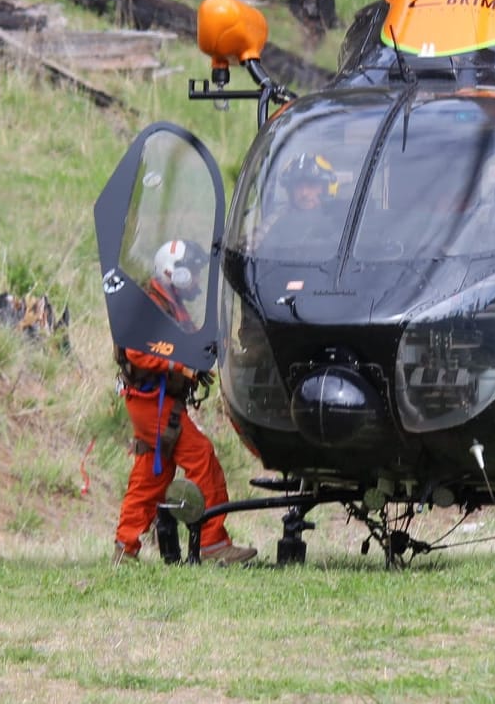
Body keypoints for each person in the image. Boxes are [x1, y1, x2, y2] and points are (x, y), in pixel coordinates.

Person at [112, 239, 257, 566]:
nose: (195, 279)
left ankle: (125, 547)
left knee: (152, 475)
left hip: (156, 404)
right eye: (191, 272)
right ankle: (212, 543)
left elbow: (183, 344)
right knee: (201, 458)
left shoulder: (169, 306)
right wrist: (180, 365)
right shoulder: (150, 307)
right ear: (172, 272)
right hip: (154, 403)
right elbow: (139, 352)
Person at [253, 152, 339, 250]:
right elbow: (253, 247)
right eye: (298, 187)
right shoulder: (276, 219)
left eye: (311, 185)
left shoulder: (341, 219)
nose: (304, 193)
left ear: (326, 188)